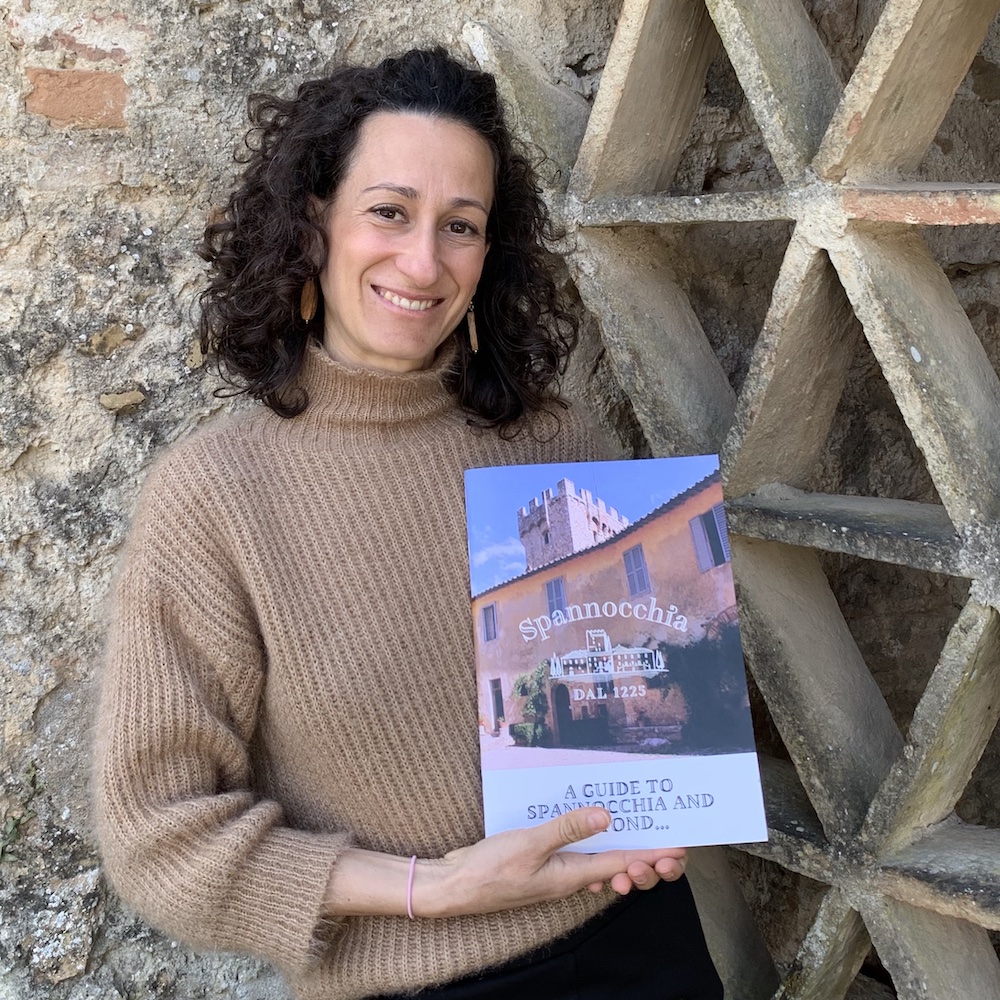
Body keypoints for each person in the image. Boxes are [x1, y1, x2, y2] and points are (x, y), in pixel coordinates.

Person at [93, 47, 723, 1000]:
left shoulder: (561, 444)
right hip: (412, 983)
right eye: (389, 211)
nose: (422, 261)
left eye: (460, 226)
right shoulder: (215, 496)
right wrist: (440, 889)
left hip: (638, 944)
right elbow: (160, 836)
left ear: (490, 251)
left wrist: (667, 780)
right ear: (315, 226)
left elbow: (641, 689)